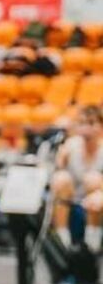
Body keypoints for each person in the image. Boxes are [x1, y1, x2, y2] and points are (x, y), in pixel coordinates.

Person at [50, 106, 103, 251]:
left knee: (93, 179)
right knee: (61, 178)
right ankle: (62, 237)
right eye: (82, 123)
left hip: (96, 201)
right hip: (71, 197)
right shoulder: (70, 145)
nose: (86, 128)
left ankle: (93, 237)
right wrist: (61, 156)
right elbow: (54, 176)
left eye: (91, 123)